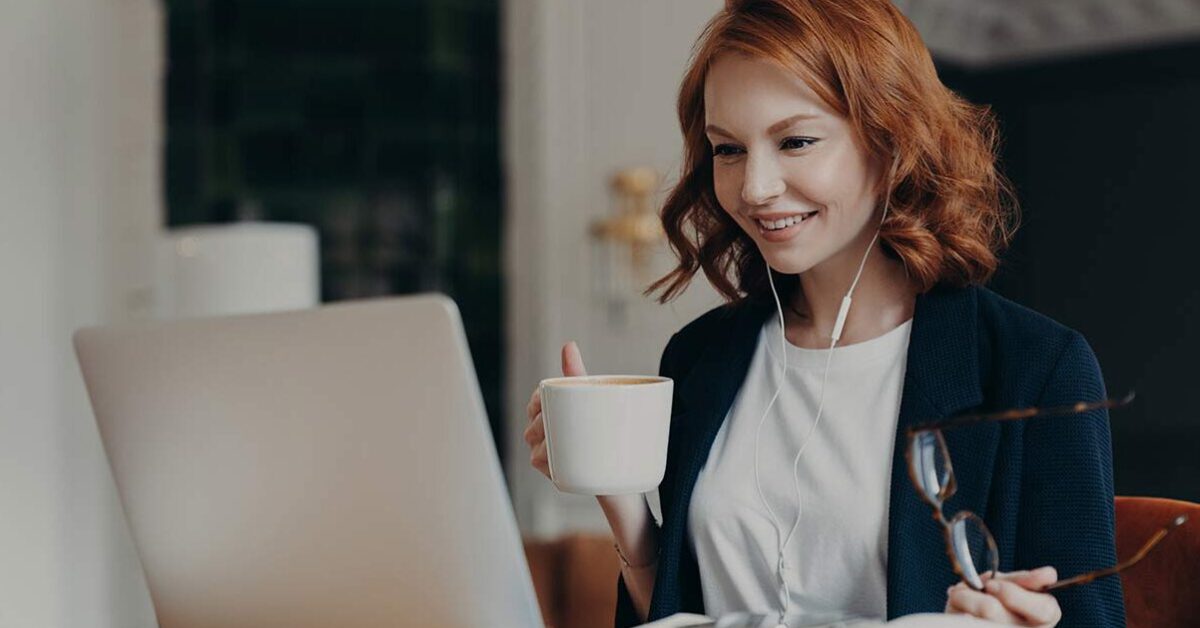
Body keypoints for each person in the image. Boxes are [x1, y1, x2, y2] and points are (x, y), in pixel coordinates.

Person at [524, 1, 1122, 626]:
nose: (754, 188)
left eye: (796, 141)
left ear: (892, 141)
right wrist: (622, 498)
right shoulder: (700, 358)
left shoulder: (1035, 366)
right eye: (728, 149)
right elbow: (676, 614)